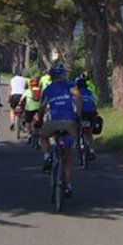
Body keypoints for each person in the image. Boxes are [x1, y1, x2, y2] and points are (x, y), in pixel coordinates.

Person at [39, 62, 82, 194]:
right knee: (68, 158)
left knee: (43, 136)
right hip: (69, 122)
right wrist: (78, 115)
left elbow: (42, 107)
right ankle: (68, 185)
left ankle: (47, 157)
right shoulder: (71, 86)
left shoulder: (48, 89)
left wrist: (39, 120)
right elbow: (78, 97)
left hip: (53, 122)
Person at [75, 74, 99, 162]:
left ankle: (76, 143)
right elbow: (94, 102)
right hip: (90, 113)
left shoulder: (75, 92)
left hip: (81, 113)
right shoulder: (89, 92)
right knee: (89, 133)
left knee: (76, 127)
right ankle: (92, 150)